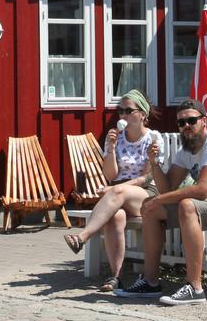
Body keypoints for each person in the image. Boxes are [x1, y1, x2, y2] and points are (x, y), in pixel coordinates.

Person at [116, 99, 207, 305]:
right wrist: (154, 163)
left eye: (191, 121)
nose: (186, 126)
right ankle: (150, 282)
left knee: (186, 204)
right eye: (181, 123)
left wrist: (159, 198)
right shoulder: (186, 151)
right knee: (151, 209)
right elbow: (168, 188)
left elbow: (202, 190)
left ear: (204, 122)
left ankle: (195, 287)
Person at [62, 90, 161, 291]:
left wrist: (116, 188)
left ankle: (82, 237)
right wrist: (112, 147)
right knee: (115, 217)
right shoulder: (117, 138)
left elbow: (147, 177)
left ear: (142, 114)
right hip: (118, 192)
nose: (122, 115)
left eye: (127, 110)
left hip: (146, 192)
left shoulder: (152, 138)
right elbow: (111, 174)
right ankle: (115, 277)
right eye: (120, 111)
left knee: (116, 194)